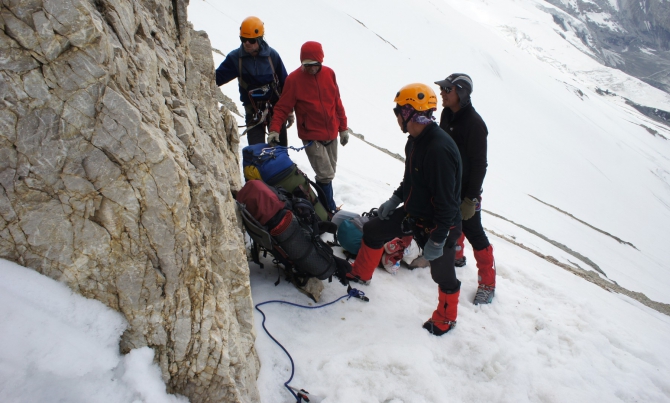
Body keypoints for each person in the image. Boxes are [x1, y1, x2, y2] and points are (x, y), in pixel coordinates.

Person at [346, 83, 463, 336]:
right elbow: (411, 181)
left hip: (441, 223)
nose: (397, 116)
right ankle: (361, 274)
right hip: (417, 214)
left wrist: (438, 239)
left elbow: (447, 203)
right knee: (375, 229)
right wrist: (394, 200)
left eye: (398, 111)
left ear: (410, 112)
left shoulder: (438, 149)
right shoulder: (415, 141)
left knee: (442, 273)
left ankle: (446, 317)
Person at [267, 41, 352, 214]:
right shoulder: (294, 80)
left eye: (314, 64)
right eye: (306, 65)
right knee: (326, 175)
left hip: (331, 133)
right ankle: (330, 210)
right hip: (311, 135)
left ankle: (322, 207)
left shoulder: (329, 74)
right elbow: (283, 107)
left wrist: (343, 128)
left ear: (321, 61)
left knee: (328, 174)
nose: (311, 68)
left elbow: (337, 102)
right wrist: (275, 129)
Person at [435, 73, 496, 305]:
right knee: (449, 219)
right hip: (449, 183)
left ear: (459, 93)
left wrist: (471, 198)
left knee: (473, 230)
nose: (442, 93)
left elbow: (480, 164)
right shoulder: (447, 114)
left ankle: (488, 283)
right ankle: (457, 257)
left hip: (467, 189)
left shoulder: (475, 124)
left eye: (447, 90)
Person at [215, 16, 291, 146]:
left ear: (260, 39)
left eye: (251, 40)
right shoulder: (235, 58)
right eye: (243, 39)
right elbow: (216, 78)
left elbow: (286, 84)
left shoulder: (272, 56)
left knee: (280, 152)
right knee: (256, 153)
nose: (247, 43)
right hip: (253, 111)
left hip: (275, 110)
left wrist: (288, 111)